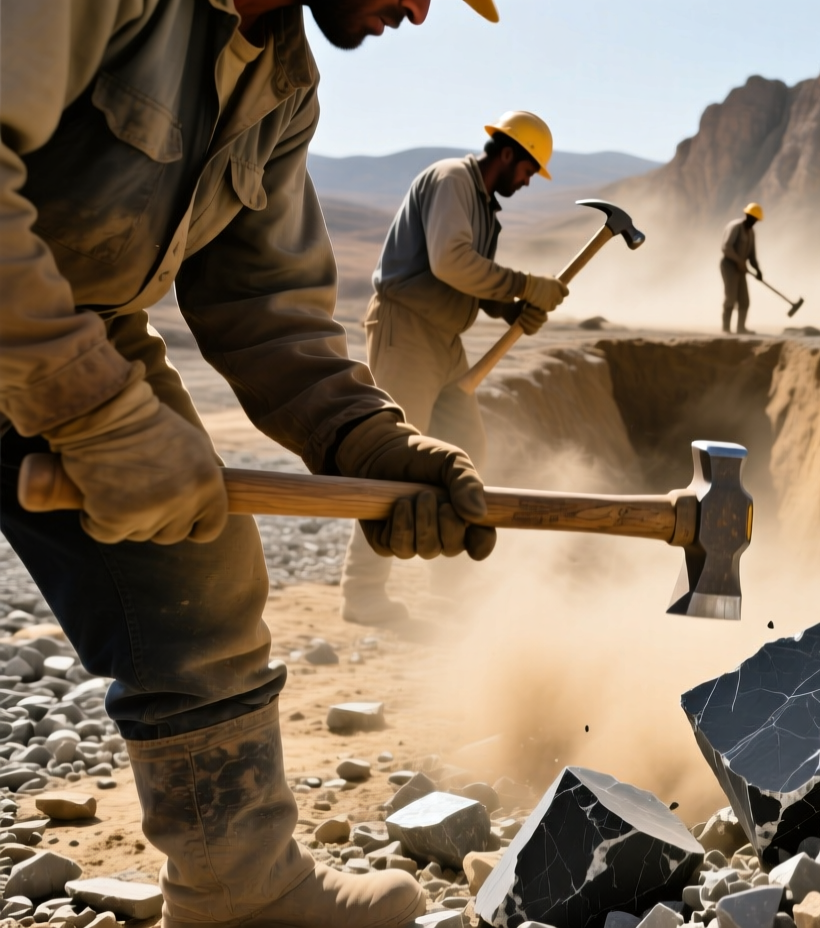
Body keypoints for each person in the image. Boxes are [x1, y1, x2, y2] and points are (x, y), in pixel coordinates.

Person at [0, 1, 504, 925]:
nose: (422, 9)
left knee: (200, 584)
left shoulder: (281, 86)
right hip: (32, 317)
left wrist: (371, 444)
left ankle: (240, 891)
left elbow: (264, 301)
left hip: (72, 319)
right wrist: (93, 410)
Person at [341, 110, 568, 626]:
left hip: (444, 342)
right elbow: (449, 262)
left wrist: (507, 308)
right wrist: (525, 284)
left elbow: (462, 279)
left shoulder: (484, 207)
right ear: (508, 154)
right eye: (530, 169)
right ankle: (362, 593)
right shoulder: (452, 180)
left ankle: (450, 587)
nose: (530, 181)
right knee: (392, 460)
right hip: (407, 331)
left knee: (465, 453)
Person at [719, 203, 764, 334]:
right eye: (752, 218)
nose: (753, 222)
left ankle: (741, 328)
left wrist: (758, 270)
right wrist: (738, 261)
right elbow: (726, 247)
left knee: (744, 300)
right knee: (731, 297)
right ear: (747, 215)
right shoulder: (735, 227)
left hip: (741, 269)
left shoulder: (751, 233)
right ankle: (726, 328)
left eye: (755, 220)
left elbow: (752, 256)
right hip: (729, 266)